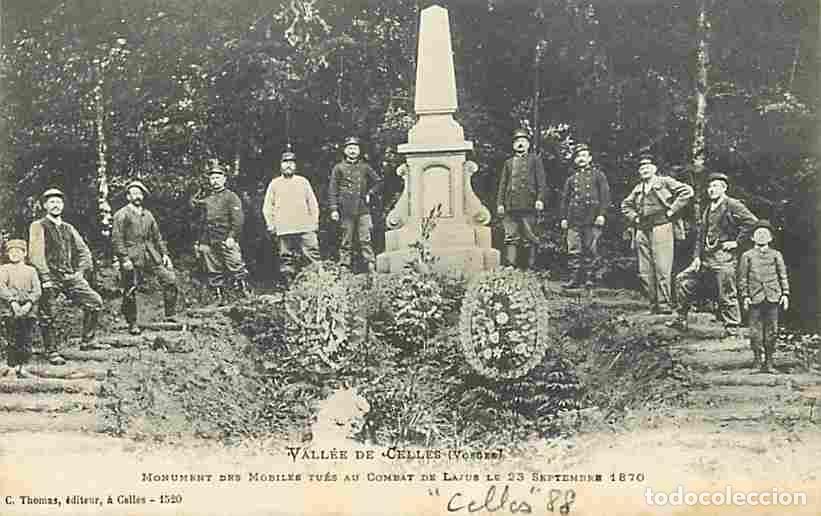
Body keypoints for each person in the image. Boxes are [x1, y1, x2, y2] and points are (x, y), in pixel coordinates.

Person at [669, 172, 758, 335]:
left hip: (724, 257)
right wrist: (696, 257)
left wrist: (737, 242)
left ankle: (732, 327)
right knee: (683, 281)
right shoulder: (708, 208)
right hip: (706, 258)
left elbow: (752, 222)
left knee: (726, 291)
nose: (711, 189)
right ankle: (681, 319)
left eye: (715, 186)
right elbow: (700, 236)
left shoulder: (732, 204)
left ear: (724, 188)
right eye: (709, 186)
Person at [29, 188, 104, 360]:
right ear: (45, 206)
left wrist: (80, 273)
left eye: (58, 202)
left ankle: (88, 341)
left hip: (69, 276)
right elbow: (35, 254)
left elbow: (84, 252)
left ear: (63, 205)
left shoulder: (68, 228)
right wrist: (45, 277)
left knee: (95, 302)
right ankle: (51, 351)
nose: (55, 205)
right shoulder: (38, 225)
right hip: (49, 277)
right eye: (51, 202)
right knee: (48, 312)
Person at [621, 153, 694, 314]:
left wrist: (672, 211)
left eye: (647, 167)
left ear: (654, 169)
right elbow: (625, 205)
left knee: (662, 267)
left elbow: (687, 192)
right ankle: (652, 305)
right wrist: (635, 217)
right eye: (641, 168)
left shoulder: (664, 181)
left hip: (662, 226)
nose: (644, 170)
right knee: (645, 271)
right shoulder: (638, 188)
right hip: (642, 230)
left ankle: (665, 305)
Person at [112, 180, 179, 335]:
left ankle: (170, 315)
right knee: (130, 289)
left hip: (150, 254)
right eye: (134, 193)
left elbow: (157, 237)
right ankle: (132, 323)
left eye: (140, 193)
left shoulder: (148, 215)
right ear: (128, 196)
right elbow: (117, 239)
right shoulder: (121, 215)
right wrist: (124, 258)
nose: (137, 196)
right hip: (131, 256)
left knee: (169, 279)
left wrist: (165, 254)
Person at [262, 151, 321, 286]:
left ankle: (316, 282)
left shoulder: (303, 182)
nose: (288, 165)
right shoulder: (275, 183)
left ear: (295, 165)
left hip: (304, 226)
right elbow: (267, 206)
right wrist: (270, 224)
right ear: (280, 165)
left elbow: (313, 203)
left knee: (312, 253)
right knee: (286, 256)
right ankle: (290, 285)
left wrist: (314, 221)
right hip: (284, 227)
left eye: (291, 162)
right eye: (285, 162)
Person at [191, 159, 249, 295]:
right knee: (213, 269)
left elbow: (238, 220)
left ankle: (244, 292)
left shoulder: (231, 197)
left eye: (218, 178)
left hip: (226, 238)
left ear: (224, 179)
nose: (215, 181)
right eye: (212, 178)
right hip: (209, 239)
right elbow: (201, 222)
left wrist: (232, 237)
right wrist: (200, 242)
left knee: (236, 265)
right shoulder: (207, 199)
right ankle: (219, 295)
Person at [739, 220, 789, 373]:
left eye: (765, 233)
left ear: (771, 238)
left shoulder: (776, 255)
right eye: (758, 233)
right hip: (755, 297)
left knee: (772, 331)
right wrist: (745, 296)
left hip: (773, 296)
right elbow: (742, 278)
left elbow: (782, 275)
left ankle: (769, 362)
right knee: (755, 332)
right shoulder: (747, 255)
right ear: (752, 237)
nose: (761, 236)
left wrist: (785, 294)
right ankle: (757, 362)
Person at [559, 143, 610, 288]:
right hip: (574, 218)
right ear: (575, 160)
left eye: (584, 155)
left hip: (592, 217)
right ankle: (574, 279)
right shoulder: (571, 179)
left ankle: (590, 278)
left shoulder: (598, 175)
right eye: (578, 156)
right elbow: (565, 200)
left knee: (591, 249)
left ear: (589, 158)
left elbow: (605, 197)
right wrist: (563, 218)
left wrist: (601, 214)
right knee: (574, 249)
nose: (581, 159)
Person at [328, 137, 381, 273]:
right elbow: (333, 189)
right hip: (345, 209)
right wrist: (334, 209)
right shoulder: (338, 168)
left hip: (363, 208)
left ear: (359, 151)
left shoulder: (365, 167)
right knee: (346, 239)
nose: (352, 151)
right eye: (350, 148)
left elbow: (378, 182)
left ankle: (370, 265)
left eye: (355, 148)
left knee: (366, 238)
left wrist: (370, 193)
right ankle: (344, 267)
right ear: (345, 150)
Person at [496, 128, 546, 269]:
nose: (520, 144)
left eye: (523, 141)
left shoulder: (534, 159)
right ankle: (511, 265)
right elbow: (503, 184)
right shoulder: (509, 162)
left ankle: (531, 267)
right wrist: (500, 203)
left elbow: (541, 182)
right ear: (513, 145)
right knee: (510, 235)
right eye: (517, 141)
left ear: (528, 144)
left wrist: (540, 199)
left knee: (530, 235)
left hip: (528, 202)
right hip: (511, 204)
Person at [0, 239, 41, 378]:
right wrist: (13, 302)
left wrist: (29, 303)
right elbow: (2, 287)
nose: (14, 254)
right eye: (11, 251)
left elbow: (37, 290)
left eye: (18, 251)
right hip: (10, 309)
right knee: (12, 338)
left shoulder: (31, 270)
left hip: (28, 310)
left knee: (26, 338)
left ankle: (23, 367)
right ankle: (11, 367)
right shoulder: (4, 269)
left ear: (25, 253)